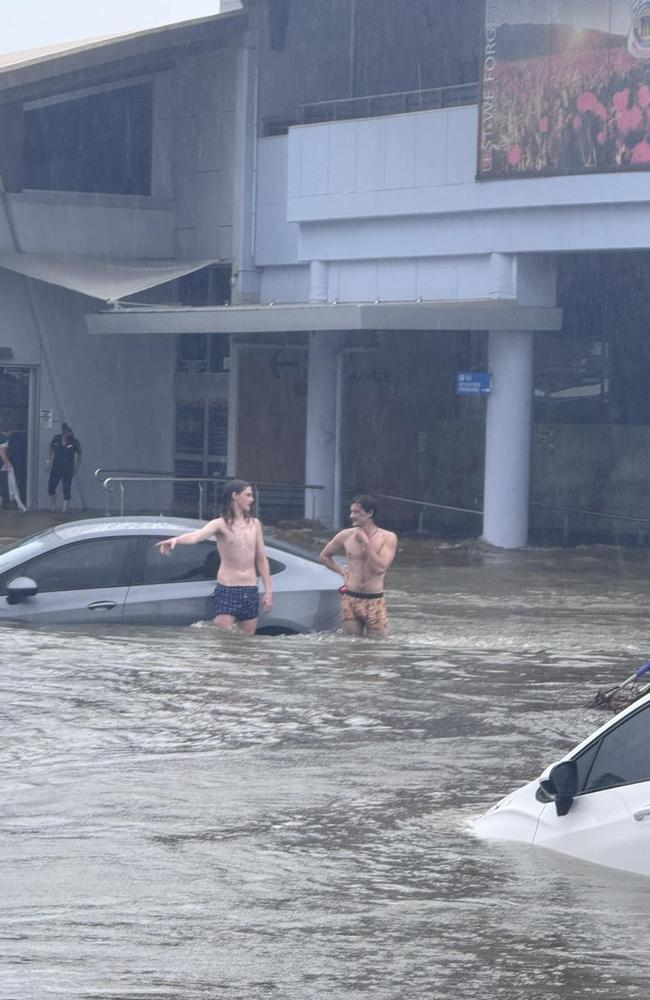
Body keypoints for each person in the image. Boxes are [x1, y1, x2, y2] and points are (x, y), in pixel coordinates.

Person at [156, 479, 272, 635]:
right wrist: (176, 540)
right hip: (228, 589)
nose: (252, 499)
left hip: (250, 589)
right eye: (248, 495)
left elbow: (262, 560)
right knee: (221, 641)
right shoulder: (220, 524)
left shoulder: (255, 524)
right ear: (235, 496)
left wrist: (268, 592)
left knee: (247, 645)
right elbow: (196, 536)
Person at [320, 493, 398, 638]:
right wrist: (342, 572)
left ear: (370, 513)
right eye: (351, 511)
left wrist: (366, 543)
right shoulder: (345, 535)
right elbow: (324, 557)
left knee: (377, 649)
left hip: (374, 600)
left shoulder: (387, 537)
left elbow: (380, 568)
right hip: (350, 598)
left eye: (356, 512)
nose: (351, 516)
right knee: (352, 648)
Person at [47, 422, 82, 512]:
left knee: (66, 488)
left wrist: (76, 467)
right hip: (56, 467)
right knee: (51, 487)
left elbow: (79, 455)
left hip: (68, 468)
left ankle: (64, 509)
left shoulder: (74, 442)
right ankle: (52, 507)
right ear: (63, 433)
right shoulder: (56, 439)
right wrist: (49, 462)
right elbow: (50, 450)